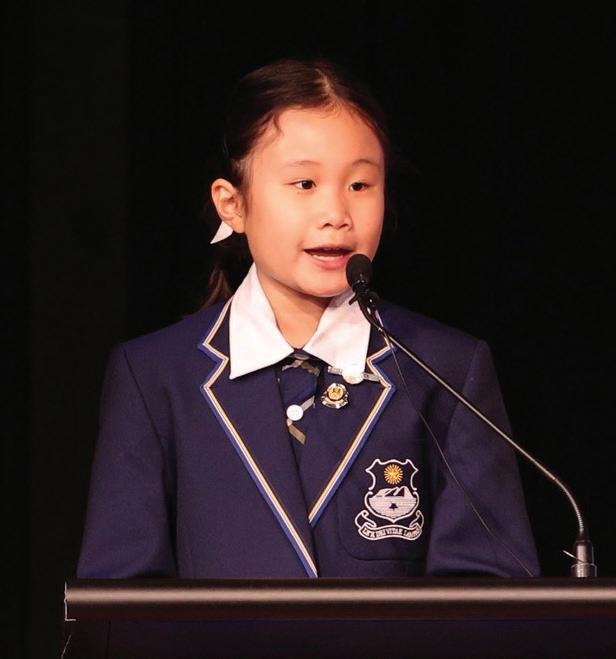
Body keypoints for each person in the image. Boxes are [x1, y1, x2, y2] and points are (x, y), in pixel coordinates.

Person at [77, 57, 539, 579]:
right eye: (304, 184)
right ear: (232, 204)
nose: (336, 214)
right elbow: (120, 598)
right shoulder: (156, 375)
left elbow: (487, 594)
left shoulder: (445, 371)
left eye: (360, 185)